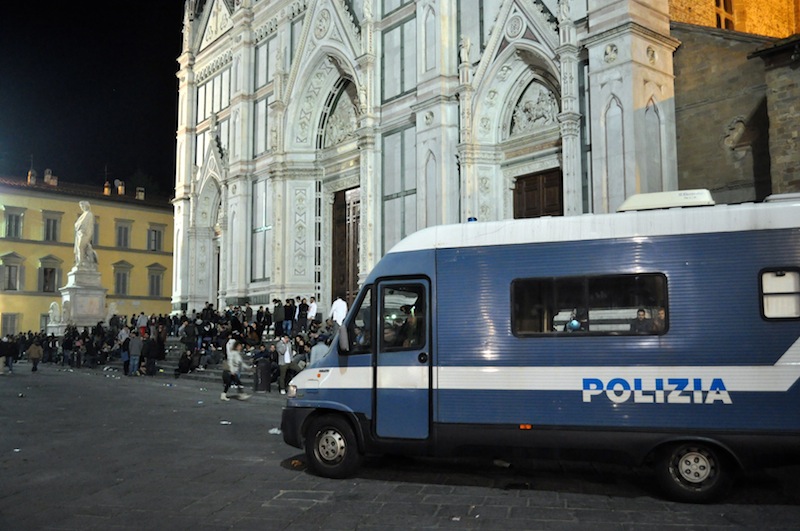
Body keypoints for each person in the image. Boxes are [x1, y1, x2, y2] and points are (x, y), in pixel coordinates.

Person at [73, 200, 95, 268]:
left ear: (86, 206)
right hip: (80, 234)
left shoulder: (89, 214)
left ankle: (80, 262)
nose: (81, 207)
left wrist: (79, 226)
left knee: (80, 247)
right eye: (81, 206)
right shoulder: (84, 214)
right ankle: (81, 261)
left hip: (84, 233)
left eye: (82, 206)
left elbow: (85, 225)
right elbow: (77, 225)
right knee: (80, 248)